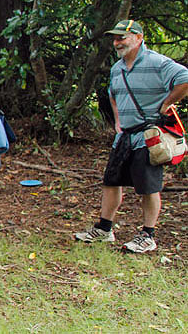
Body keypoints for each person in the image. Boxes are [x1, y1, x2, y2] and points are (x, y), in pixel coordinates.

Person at [74, 20, 188, 253]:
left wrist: (167, 103)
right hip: (124, 137)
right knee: (111, 182)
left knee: (149, 187)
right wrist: (118, 121)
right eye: (115, 39)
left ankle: (148, 235)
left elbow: (185, 78)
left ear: (138, 38)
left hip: (148, 136)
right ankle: (104, 229)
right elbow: (113, 95)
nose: (117, 43)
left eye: (122, 38)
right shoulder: (117, 68)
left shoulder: (157, 62)